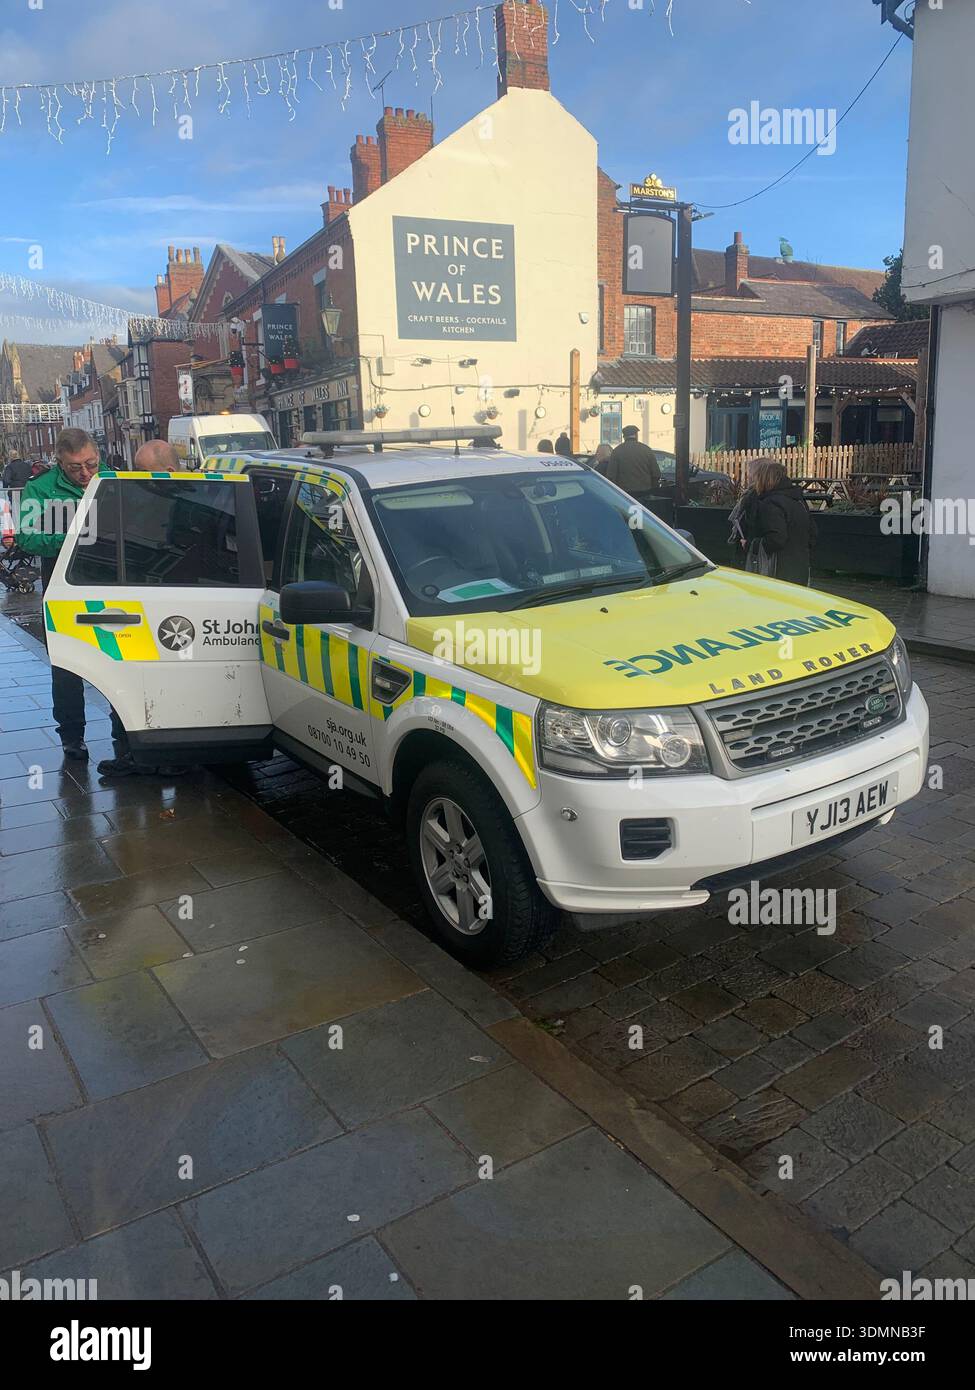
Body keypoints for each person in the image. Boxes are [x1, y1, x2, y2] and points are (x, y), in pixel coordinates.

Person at [13, 428, 109, 762]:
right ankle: (72, 738)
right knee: (67, 669)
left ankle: (124, 735)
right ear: (59, 462)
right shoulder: (39, 490)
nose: (85, 474)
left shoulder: (110, 481)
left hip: (110, 589)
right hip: (63, 592)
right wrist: (76, 538)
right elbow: (27, 538)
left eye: (91, 465)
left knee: (117, 663)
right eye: (75, 468)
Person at [733, 457, 816, 585]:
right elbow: (812, 533)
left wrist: (749, 544)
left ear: (763, 478)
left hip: (778, 571)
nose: (751, 479)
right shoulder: (797, 500)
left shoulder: (770, 504)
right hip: (799, 568)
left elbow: (776, 539)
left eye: (754, 477)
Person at [603, 425, 661, 501]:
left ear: (624, 436)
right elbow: (656, 474)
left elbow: (611, 476)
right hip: (645, 494)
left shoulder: (617, 451)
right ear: (636, 435)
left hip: (624, 495)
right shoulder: (646, 450)